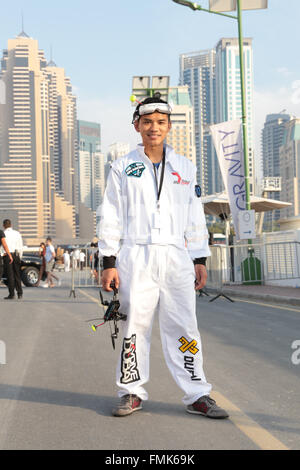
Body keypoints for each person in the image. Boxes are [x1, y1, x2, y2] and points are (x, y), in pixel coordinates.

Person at [97, 94, 229, 419]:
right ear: (136, 126)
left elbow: (194, 215)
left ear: (169, 126)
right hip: (135, 255)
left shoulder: (185, 167)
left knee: (184, 327)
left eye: (160, 122)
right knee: (133, 327)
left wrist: (199, 258)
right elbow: (110, 214)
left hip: (176, 256)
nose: (153, 128)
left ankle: (197, 392)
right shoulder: (121, 167)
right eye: (147, 122)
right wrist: (109, 262)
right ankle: (131, 391)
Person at [2, 219, 23, 300]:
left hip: (7, 255)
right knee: (17, 274)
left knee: (10, 275)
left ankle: (12, 294)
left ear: (4, 225)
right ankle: (20, 293)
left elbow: (2, 246)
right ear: (11, 225)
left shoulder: (3, 233)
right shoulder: (17, 233)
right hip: (16, 254)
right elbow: (20, 246)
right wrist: (20, 257)